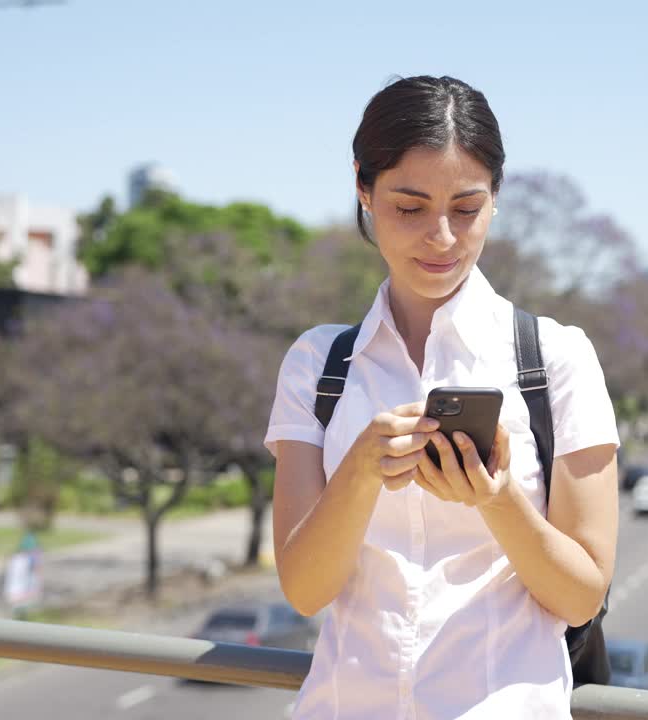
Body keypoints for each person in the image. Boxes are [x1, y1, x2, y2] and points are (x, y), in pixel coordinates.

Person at [265, 75, 620, 720]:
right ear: (363, 188)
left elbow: (580, 599)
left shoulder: (556, 359)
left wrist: (498, 498)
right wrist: (360, 472)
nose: (443, 237)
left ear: (495, 200)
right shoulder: (319, 365)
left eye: (466, 208)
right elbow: (305, 589)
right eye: (410, 207)